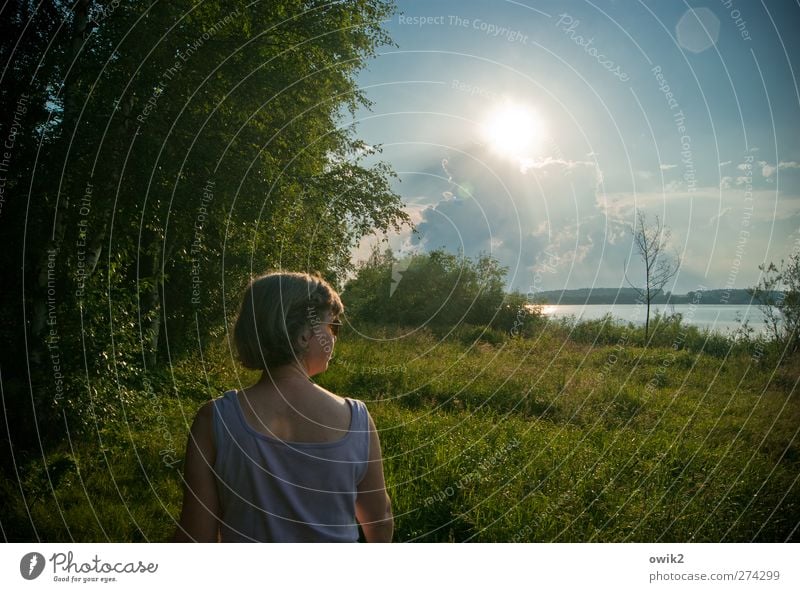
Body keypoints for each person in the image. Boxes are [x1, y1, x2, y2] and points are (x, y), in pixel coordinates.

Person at [172, 271, 393, 542]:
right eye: (332, 327)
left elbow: (195, 537)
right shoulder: (355, 419)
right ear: (303, 336)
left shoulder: (214, 419)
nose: (335, 337)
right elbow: (379, 519)